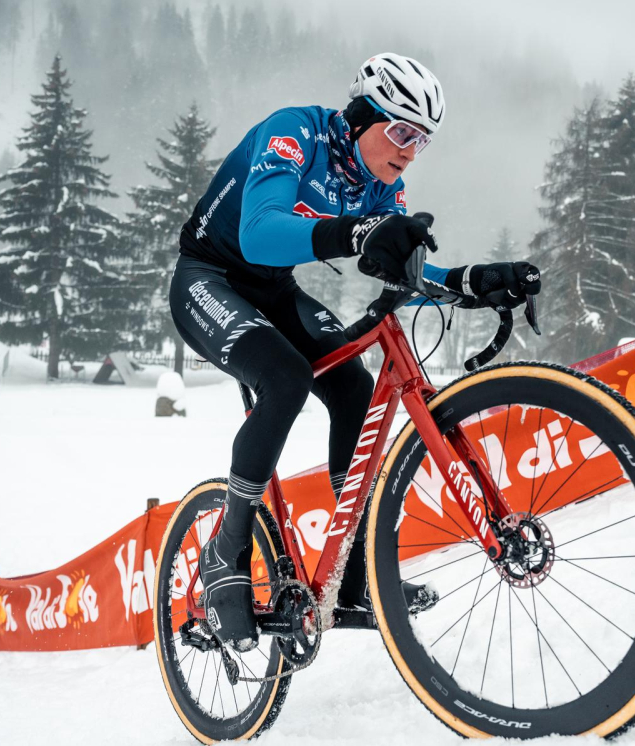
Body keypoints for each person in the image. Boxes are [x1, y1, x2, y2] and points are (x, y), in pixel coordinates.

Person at [169, 53, 542, 651]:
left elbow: (406, 273)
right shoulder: (295, 132)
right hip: (207, 278)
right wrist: (359, 232)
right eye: (400, 132)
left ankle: (352, 574)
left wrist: (473, 280)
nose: (409, 151)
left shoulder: (381, 185)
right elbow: (258, 232)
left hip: (274, 289)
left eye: (421, 140)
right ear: (363, 116)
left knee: (353, 387)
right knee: (286, 379)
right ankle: (225, 550)